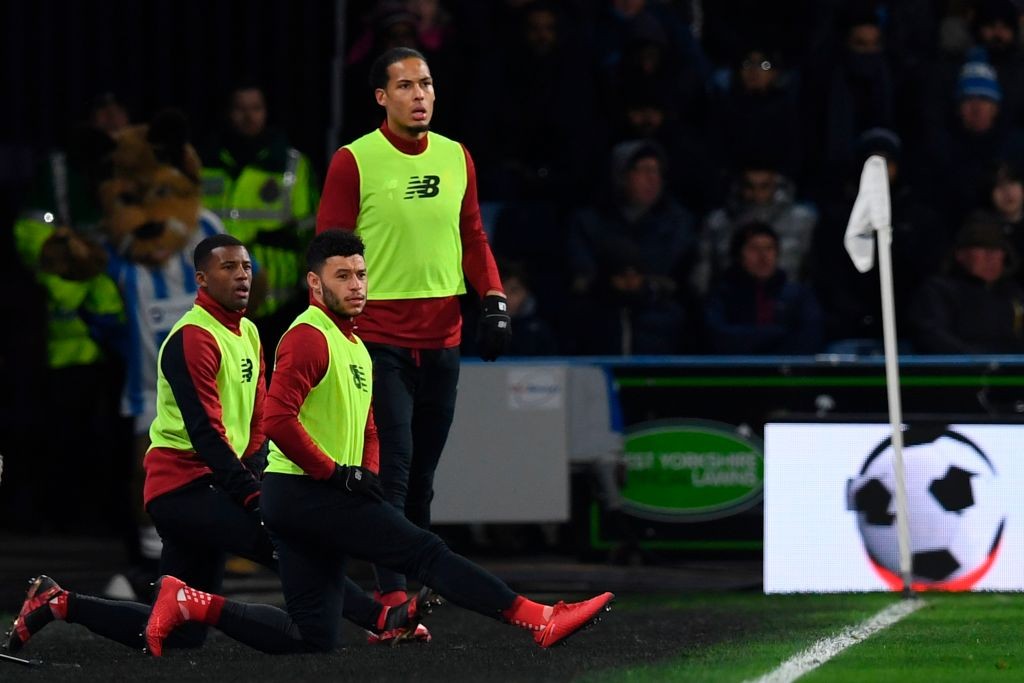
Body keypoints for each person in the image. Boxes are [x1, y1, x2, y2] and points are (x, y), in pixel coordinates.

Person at [142, 229, 613, 655]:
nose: (356, 285)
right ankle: (540, 618)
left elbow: (366, 421)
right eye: (342, 275)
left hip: (310, 492)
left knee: (310, 636)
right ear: (314, 284)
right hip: (305, 492)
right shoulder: (309, 337)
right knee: (425, 553)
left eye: (361, 275)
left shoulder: (351, 342)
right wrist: (334, 474)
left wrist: (364, 469)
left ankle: (192, 604)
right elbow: (278, 419)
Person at [6, 235, 425, 655]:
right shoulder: (192, 337)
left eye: (245, 266)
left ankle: (57, 602)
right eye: (228, 268)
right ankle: (381, 619)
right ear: (201, 279)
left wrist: (259, 471)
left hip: (212, 484)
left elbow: (259, 419)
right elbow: (206, 434)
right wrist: (252, 494)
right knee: (285, 540)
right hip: (184, 486)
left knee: (181, 636)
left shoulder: (248, 332)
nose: (242, 275)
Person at [315, 46, 512, 622]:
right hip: (377, 336)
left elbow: (472, 238)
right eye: (405, 86)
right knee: (393, 466)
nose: (419, 95)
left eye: (426, 84)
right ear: (381, 96)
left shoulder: (457, 157)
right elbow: (329, 250)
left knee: (421, 473)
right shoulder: (354, 161)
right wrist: (329, 330)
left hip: (442, 338)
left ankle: (413, 579)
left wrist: (493, 297)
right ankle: (393, 595)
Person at [200, 83, 320, 353]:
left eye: (255, 108)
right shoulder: (204, 164)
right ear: (227, 113)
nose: (248, 116)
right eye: (239, 109)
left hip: (278, 306)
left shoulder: (293, 166)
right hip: (215, 306)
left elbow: (310, 234)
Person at [703, 221, 823, 355]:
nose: (763, 256)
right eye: (754, 249)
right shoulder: (722, 295)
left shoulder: (799, 296)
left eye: (769, 248)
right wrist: (777, 334)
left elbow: (810, 339)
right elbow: (719, 339)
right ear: (738, 256)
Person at [910, 216, 1024, 353]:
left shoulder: (1013, 293)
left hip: (1012, 371)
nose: (991, 258)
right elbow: (931, 337)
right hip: (958, 372)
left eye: (997, 250)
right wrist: (979, 361)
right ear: (960, 254)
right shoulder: (938, 291)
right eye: (983, 250)